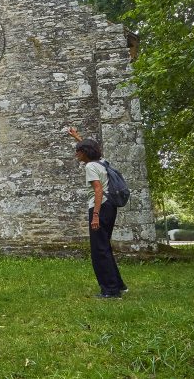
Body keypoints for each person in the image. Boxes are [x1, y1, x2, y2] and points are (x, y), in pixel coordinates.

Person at [68, 127, 127, 299]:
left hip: (99, 208)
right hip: (110, 207)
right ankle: (118, 285)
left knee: (99, 250)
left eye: (78, 152)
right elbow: (92, 147)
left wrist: (95, 215)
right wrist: (77, 137)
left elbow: (98, 190)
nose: (76, 154)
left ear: (85, 153)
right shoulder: (102, 162)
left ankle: (110, 291)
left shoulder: (91, 167)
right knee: (105, 247)